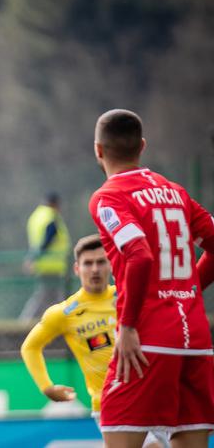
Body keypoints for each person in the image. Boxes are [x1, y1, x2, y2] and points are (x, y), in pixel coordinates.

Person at [89, 109, 214, 448]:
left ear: (98, 150)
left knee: (116, 429)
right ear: (142, 146)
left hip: (146, 339)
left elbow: (139, 254)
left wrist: (127, 326)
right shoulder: (176, 192)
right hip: (195, 340)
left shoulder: (108, 197)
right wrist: (188, 290)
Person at [21, 234, 168, 448]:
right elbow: (30, 347)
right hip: (110, 403)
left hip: (150, 398)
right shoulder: (65, 313)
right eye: (88, 263)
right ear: (76, 269)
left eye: (101, 262)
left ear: (110, 263)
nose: (95, 269)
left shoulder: (129, 297)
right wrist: (47, 387)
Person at [20, 192, 71, 320]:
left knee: (51, 296)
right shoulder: (50, 216)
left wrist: (33, 258)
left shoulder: (36, 216)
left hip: (42, 264)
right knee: (48, 295)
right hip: (53, 263)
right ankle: (26, 319)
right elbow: (48, 237)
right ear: (55, 204)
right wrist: (35, 257)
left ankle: (60, 319)